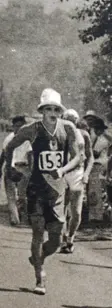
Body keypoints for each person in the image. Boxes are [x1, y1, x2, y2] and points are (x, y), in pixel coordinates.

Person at [4, 89, 81, 294]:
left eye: (56, 109)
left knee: (55, 240)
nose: (53, 112)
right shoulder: (32, 130)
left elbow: (78, 157)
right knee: (38, 233)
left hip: (58, 191)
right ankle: (40, 277)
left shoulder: (69, 129)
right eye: (48, 109)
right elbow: (10, 146)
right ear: (42, 111)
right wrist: (10, 166)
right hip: (36, 189)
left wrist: (63, 170)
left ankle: (37, 258)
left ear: (61, 111)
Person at [59, 109, 94, 253]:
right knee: (61, 209)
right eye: (67, 119)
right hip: (62, 172)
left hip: (77, 173)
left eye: (73, 119)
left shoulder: (83, 134)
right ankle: (63, 239)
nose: (70, 122)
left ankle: (71, 237)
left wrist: (86, 174)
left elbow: (90, 157)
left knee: (76, 212)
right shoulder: (58, 135)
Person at [0, 115, 31, 225]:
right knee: (11, 196)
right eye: (16, 126)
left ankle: (22, 215)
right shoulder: (8, 139)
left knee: (22, 196)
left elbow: (30, 155)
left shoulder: (28, 140)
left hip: (24, 168)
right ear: (13, 127)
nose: (19, 128)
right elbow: (4, 155)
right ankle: (15, 219)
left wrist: (31, 171)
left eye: (22, 126)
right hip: (11, 167)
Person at [86, 115, 112, 221]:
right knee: (93, 191)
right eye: (96, 128)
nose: (97, 130)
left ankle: (96, 216)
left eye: (99, 129)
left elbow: (95, 153)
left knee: (95, 191)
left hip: (98, 166)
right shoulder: (95, 138)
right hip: (94, 166)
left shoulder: (102, 140)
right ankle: (94, 214)